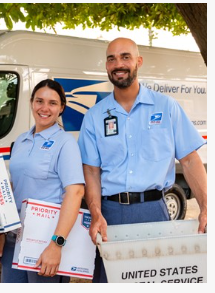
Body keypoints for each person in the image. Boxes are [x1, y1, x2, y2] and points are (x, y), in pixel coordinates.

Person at [77, 37, 207, 283]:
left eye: (125, 57)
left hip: (154, 211)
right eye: (111, 58)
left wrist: (206, 207)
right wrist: (96, 213)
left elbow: (190, 160)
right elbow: (91, 172)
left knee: (155, 281)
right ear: (106, 66)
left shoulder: (166, 107)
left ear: (139, 61)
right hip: (110, 215)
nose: (118, 64)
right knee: (110, 281)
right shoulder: (94, 117)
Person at [0, 79, 85, 283]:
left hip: (45, 242)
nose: (45, 108)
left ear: (61, 108)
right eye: (39, 101)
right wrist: (3, 233)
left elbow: (75, 193)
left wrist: (56, 244)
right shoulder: (21, 141)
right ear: (31, 102)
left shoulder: (65, 143)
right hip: (14, 239)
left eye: (52, 103)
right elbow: (15, 189)